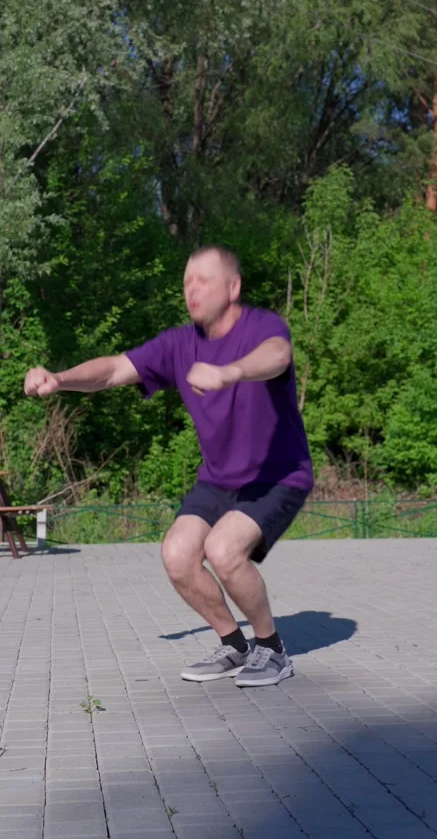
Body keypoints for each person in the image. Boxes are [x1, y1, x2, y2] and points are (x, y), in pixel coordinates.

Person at [24, 245, 313, 686]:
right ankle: (234, 645)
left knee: (223, 551)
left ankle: (272, 650)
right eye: (186, 282)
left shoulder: (262, 326)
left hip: (277, 475)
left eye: (203, 281)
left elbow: (277, 356)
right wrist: (60, 379)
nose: (191, 290)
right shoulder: (179, 344)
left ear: (233, 287)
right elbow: (113, 370)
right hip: (218, 479)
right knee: (177, 556)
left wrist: (230, 372)